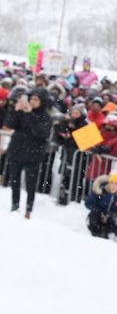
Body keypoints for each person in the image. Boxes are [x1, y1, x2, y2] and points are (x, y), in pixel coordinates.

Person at [4, 87, 53, 218]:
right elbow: (9, 124)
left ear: (42, 101)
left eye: (36, 99)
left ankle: (28, 209)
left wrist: (30, 114)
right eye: (31, 98)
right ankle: (14, 206)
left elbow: (41, 133)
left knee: (31, 184)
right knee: (14, 181)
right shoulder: (22, 112)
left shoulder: (46, 117)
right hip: (17, 151)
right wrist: (15, 110)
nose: (32, 101)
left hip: (33, 155)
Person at [85, 171, 117, 238]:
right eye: (112, 183)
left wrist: (111, 216)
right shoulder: (101, 190)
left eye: (116, 184)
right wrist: (99, 211)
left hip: (112, 222)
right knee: (94, 214)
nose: (113, 186)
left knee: (116, 220)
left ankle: (109, 235)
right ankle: (94, 233)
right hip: (98, 217)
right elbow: (88, 203)